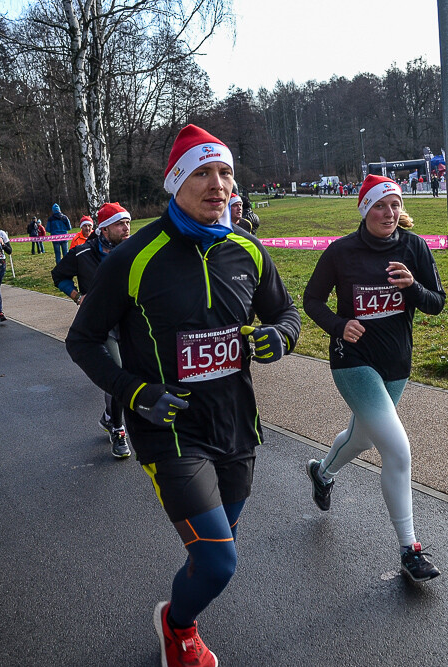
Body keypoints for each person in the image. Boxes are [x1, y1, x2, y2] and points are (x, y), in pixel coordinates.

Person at [66, 124, 300, 667]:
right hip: (169, 432)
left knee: (219, 549)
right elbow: (82, 340)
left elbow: (286, 313)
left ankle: (183, 604)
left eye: (225, 173)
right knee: (219, 563)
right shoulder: (133, 257)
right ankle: (177, 628)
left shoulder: (247, 248)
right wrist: (135, 391)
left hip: (237, 425)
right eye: (202, 173)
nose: (217, 185)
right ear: (176, 183)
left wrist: (282, 336)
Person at [303, 174, 446, 585]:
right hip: (353, 361)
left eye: (395, 205)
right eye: (380, 206)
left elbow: (436, 303)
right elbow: (313, 300)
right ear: (365, 209)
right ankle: (410, 549)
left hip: (396, 362)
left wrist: (412, 287)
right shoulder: (341, 252)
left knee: (363, 438)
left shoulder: (413, 247)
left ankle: (322, 472)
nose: (389, 213)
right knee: (398, 451)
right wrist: (339, 324)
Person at [52, 202, 133, 459]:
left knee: (134, 373)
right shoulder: (82, 253)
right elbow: (59, 276)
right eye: (120, 224)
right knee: (118, 375)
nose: (126, 227)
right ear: (105, 230)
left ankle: (110, 416)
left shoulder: (134, 250)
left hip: (132, 322)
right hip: (102, 325)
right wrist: (77, 296)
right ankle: (118, 430)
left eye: (128, 222)